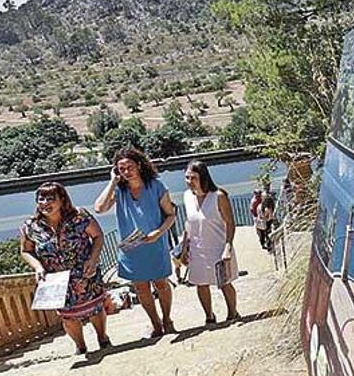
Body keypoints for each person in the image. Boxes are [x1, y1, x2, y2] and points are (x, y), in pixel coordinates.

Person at [94, 148, 177, 338]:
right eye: (121, 169)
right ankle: (155, 324)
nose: (126, 171)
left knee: (161, 284)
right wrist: (112, 181)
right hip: (131, 248)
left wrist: (158, 233)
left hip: (155, 244)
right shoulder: (119, 190)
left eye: (129, 167)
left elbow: (171, 215)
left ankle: (167, 319)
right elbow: (99, 208)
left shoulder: (156, 186)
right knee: (141, 288)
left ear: (139, 165)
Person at [20, 182, 111, 355]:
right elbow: (26, 251)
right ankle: (80, 346)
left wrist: (93, 259)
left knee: (95, 308)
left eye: (50, 198)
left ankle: (103, 338)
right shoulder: (31, 226)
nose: (45, 202)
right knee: (67, 316)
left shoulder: (79, 216)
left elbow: (98, 236)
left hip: (84, 272)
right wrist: (38, 267)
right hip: (56, 279)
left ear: (62, 200)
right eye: (41, 198)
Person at [181, 160, 239, 324]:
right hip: (197, 248)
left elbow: (230, 222)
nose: (189, 182)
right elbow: (188, 223)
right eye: (186, 178)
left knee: (224, 283)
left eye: (193, 178)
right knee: (201, 283)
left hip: (218, 246)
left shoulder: (218, 196)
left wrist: (228, 247)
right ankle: (209, 316)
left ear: (203, 177)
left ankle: (232, 313)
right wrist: (184, 247)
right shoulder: (187, 197)